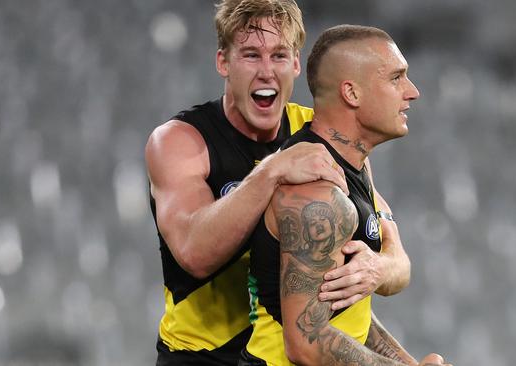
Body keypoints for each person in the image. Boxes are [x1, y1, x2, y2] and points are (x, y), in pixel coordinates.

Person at [145, 1, 412, 364]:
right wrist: (271, 172)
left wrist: (377, 270)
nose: (267, 72)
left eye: (280, 55)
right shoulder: (180, 142)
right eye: (251, 55)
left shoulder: (323, 134)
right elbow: (194, 254)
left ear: (297, 64)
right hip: (198, 356)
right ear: (224, 62)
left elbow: (389, 247)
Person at [239, 25, 451, 365]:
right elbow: (308, 342)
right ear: (351, 93)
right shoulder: (316, 194)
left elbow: (348, 317)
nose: (412, 92)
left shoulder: (352, 166)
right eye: (396, 78)